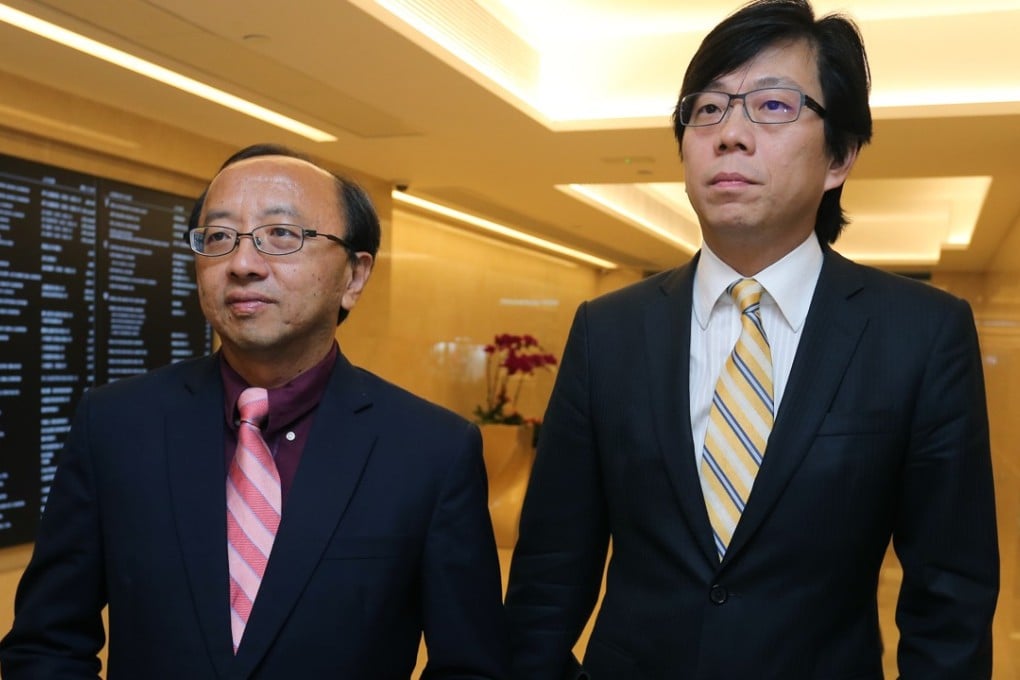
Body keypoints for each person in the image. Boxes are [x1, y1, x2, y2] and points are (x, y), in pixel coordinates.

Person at [505, 1, 999, 678]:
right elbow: (548, 576)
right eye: (707, 109)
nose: (729, 133)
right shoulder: (608, 331)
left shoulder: (920, 334)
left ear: (840, 157)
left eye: (772, 107)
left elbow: (951, 597)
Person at [0, 144, 509, 678]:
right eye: (218, 237)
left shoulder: (432, 451)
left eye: (282, 235)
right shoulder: (117, 425)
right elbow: (45, 643)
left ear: (354, 277)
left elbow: (469, 666)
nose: (242, 264)